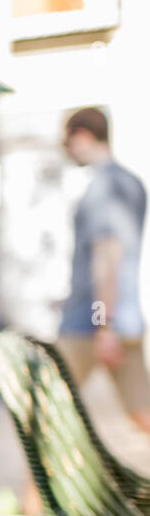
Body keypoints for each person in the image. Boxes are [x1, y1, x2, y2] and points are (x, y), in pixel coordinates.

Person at [55, 107, 150, 431]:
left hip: (89, 324)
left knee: (46, 411)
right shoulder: (132, 182)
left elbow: (107, 258)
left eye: (68, 143)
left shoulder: (102, 188)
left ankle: (32, 484)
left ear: (82, 136)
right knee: (142, 412)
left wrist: (103, 325)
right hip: (126, 321)